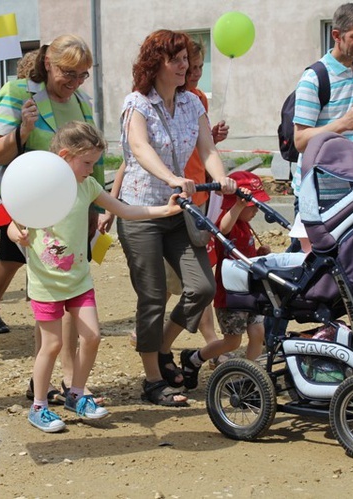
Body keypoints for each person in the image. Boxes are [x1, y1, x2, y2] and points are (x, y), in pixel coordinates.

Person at [8, 121, 183, 432]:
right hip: (46, 284)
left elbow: (125, 210)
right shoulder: (38, 186)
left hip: (78, 280)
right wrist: (15, 233)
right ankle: (39, 406)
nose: (91, 170)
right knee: (51, 345)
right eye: (87, 162)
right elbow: (13, 221)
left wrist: (163, 211)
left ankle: (76, 394)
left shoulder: (87, 187)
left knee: (92, 336)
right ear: (65, 156)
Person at [117, 29, 235, 407]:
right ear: (157, 64)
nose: (185, 66)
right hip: (142, 210)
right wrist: (170, 177)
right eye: (177, 59)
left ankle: (163, 346)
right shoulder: (137, 104)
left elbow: (207, 147)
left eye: (187, 59)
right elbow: (139, 147)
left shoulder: (192, 104)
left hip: (180, 209)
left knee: (201, 287)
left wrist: (221, 178)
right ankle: (153, 380)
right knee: (151, 295)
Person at [0, 34, 102, 403]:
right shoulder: (19, 91)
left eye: (82, 75)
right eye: (69, 73)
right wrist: (21, 130)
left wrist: (96, 209)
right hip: (31, 213)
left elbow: (91, 159)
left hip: (72, 212)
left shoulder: (81, 101)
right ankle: (47, 382)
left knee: (70, 292)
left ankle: (66, 379)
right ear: (48, 64)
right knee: (49, 295)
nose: (75, 82)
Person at [179, 171, 272, 389]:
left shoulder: (246, 225)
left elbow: (246, 256)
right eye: (253, 205)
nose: (256, 209)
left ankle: (250, 378)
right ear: (236, 203)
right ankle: (194, 359)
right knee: (233, 341)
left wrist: (260, 253)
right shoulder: (229, 221)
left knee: (258, 332)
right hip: (232, 293)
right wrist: (239, 205)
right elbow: (223, 229)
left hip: (250, 289)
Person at [291, 2, 353, 199]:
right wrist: (342, 124)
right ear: (336, 36)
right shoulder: (314, 78)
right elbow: (301, 141)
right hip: (317, 194)